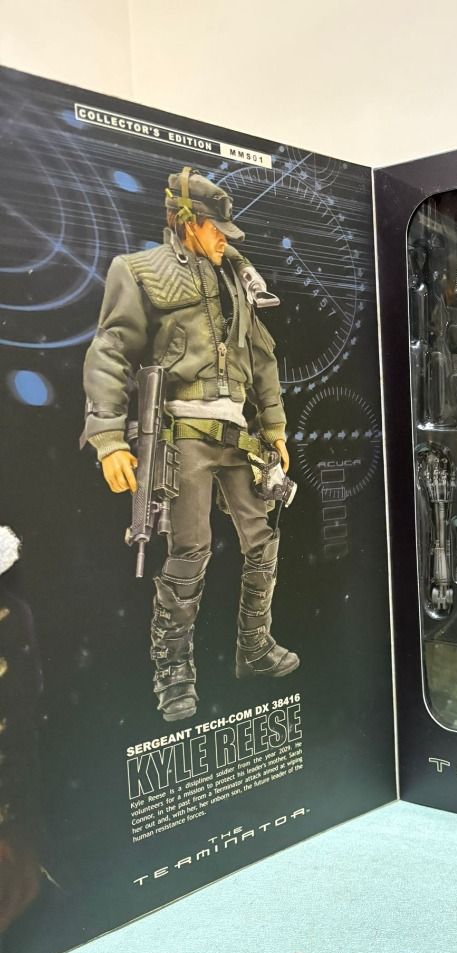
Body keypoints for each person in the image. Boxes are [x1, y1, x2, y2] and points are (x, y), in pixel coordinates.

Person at [82, 167, 298, 724]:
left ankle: (254, 646)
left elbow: (262, 356)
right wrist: (108, 437)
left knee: (263, 538)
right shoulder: (141, 271)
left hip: (238, 434)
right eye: (215, 228)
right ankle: (173, 670)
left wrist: (274, 426)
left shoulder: (239, 278)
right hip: (183, 436)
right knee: (190, 549)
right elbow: (111, 350)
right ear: (186, 222)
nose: (224, 239)